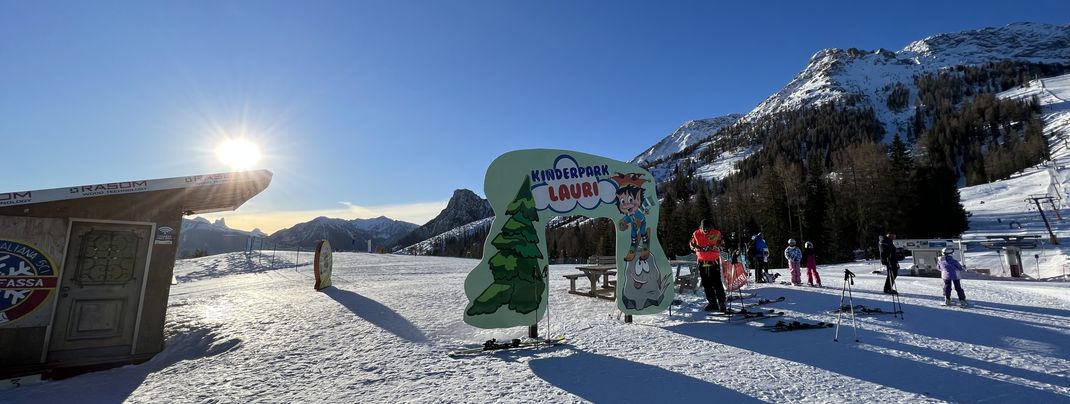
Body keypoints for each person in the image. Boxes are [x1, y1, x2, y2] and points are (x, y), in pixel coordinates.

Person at [690, 219, 726, 312]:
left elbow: (722, 245)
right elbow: (691, 244)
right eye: (704, 229)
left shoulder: (716, 233)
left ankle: (722, 303)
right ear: (700, 228)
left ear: (711, 227)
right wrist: (696, 248)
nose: (706, 231)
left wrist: (716, 246)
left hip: (714, 261)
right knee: (706, 283)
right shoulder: (696, 233)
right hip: (702, 261)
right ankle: (712, 302)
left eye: (708, 229)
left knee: (717, 282)